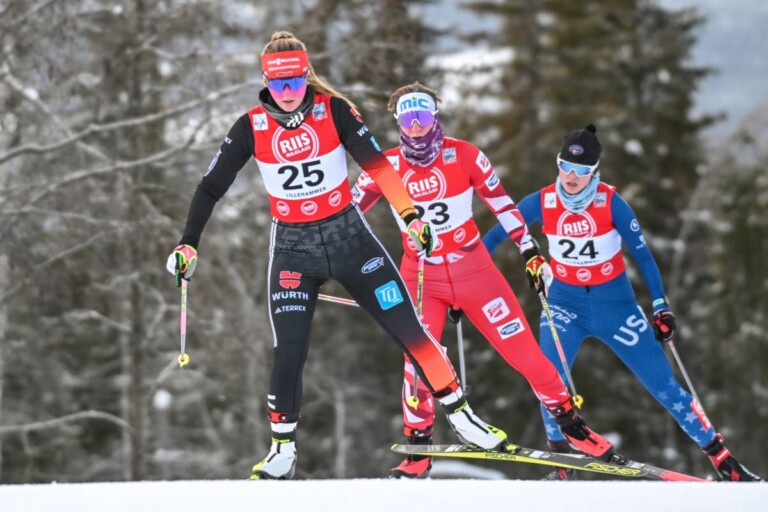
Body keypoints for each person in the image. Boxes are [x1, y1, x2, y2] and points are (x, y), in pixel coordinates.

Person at [166, 32, 508, 480]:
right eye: (277, 85)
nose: (287, 95)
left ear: (307, 79)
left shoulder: (335, 111)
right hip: (292, 249)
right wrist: (188, 241)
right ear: (265, 83)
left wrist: (410, 215)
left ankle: (461, 415)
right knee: (289, 349)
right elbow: (211, 186)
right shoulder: (250, 126)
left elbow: (380, 167)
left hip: (349, 238)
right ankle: (282, 448)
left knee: (409, 327)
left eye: (295, 84)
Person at [352, 83, 624, 479]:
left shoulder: (465, 155)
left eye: (422, 117)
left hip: (473, 270)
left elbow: (502, 204)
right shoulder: (384, 166)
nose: (415, 127)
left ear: (435, 117)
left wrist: (530, 252)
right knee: (418, 361)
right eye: (407, 119)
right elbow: (345, 216)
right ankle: (417, 448)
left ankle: (571, 425)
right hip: (421, 276)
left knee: (525, 352)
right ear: (397, 122)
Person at [483, 124, 763, 482]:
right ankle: (561, 462)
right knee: (548, 379)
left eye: (582, 171)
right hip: (564, 304)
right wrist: (465, 273)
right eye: (565, 167)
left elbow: (643, 258)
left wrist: (661, 306)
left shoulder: (612, 203)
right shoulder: (540, 202)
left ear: (595, 173)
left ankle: (723, 459)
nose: (571, 177)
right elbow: (494, 236)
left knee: (664, 386)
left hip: (615, 306)